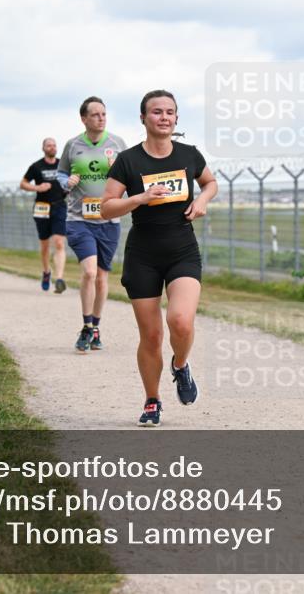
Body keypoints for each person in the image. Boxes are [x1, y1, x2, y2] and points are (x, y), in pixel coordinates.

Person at [100, 90, 217, 427]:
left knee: (180, 320)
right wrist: (140, 197)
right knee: (151, 336)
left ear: (176, 119)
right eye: (156, 112)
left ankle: (180, 365)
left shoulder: (188, 154)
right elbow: (107, 207)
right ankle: (152, 401)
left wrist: (203, 200)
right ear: (143, 118)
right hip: (143, 255)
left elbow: (210, 182)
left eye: (170, 112)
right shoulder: (128, 160)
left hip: (182, 249)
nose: (164, 117)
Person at [59, 96, 126, 353]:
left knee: (101, 277)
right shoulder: (72, 145)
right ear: (84, 119)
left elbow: (129, 177)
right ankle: (86, 326)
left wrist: (117, 170)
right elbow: (62, 173)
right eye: (95, 114)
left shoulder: (118, 144)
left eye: (104, 114)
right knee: (89, 272)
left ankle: (96, 327)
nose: (101, 118)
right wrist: (67, 181)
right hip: (79, 219)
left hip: (109, 220)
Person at [20, 138, 69, 292]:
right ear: (43, 148)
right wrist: (38, 188)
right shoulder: (36, 166)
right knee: (45, 245)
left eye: (54, 145)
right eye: (49, 145)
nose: (52, 147)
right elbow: (23, 183)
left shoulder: (62, 164)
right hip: (42, 208)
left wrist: (69, 187)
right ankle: (47, 271)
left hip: (59, 205)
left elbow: (71, 181)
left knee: (59, 242)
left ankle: (59, 278)